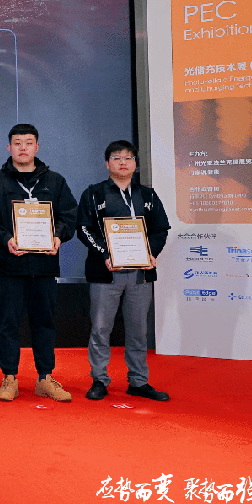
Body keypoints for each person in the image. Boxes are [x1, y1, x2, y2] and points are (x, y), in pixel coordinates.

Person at [0, 123, 78, 403]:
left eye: (28, 142)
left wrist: (58, 236)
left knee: (45, 323)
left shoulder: (54, 182)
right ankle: (9, 377)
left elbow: (70, 216)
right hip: (9, 266)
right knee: (8, 323)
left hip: (44, 266)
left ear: (37, 147)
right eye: (17, 143)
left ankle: (45, 377)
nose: (23, 148)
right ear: (9, 147)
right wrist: (5, 238)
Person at [77, 140, 171, 402]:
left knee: (138, 330)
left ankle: (138, 381)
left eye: (128, 158)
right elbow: (84, 229)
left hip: (140, 274)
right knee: (100, 328)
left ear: (135, 164)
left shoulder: (148, 195)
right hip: (105, 272)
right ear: (107, 163)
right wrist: (105, 254)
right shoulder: (93, 194)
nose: (122, 163)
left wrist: (151, 253)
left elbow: (161, 229)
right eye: (116, 158)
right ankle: (99, 379)